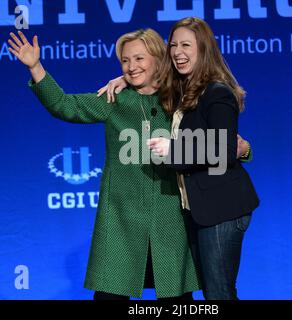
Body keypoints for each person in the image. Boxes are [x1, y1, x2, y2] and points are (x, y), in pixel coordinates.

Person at [7, 29, 201, 300]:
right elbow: (65, 105)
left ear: (158, 58)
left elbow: (215, 134)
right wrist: (36, 67)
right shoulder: (115, 99)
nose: (131, 67)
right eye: (125, 61)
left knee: (176, 300)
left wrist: (243, 150)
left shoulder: (183, 98)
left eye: (139, 59)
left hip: (170, 221)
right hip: (120, 221)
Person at [147, 17, 260, 300]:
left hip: (222, 209)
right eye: (173, 45)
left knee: (218, 292)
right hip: (199, 210)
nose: (177, 52)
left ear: (204, 49)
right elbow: (146, 78)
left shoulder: (217, 92)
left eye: (186, 44)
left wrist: (173, 151)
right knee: (212, 292)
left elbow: (222, 150)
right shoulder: (183, 90)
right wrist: (122, 78)